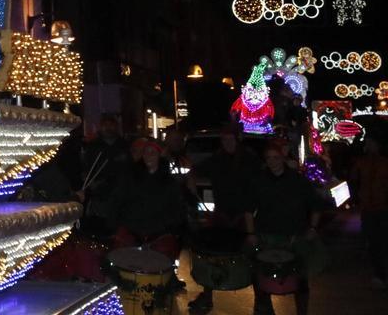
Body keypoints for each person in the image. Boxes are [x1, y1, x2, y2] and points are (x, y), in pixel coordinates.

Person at [186, 122, 260, 312]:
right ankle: (207, 296)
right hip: (222, 214)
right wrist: (191, 180)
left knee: (252, 257)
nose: (227, 142)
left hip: (245, 216)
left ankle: (262, 302)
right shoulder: (217, 159)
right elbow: (195, 170)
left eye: (230, 139)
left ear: (238, 139)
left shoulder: (250, 160)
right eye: (224, 139)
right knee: (211, 255)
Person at [245, 140, 323, 315]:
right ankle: (264, 310)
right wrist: (250, 233)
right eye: (269, 158)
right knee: (261, 277)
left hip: (294, 236)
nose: (273, 161)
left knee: (300, 280)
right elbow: (248, 210)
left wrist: (312, 228)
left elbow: (316, 205)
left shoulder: (298, 180)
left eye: (276, 157)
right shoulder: (259, 180)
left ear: (282, 158)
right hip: (266, 235)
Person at [109, 138, 187, 262]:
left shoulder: (169, 182)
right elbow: (117, 201)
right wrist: (119, 224)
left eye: (153, 152)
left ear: (159, 156)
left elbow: (177, 209)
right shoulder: (131, 177)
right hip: (132, 229)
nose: (148, 156)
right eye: (146, 152)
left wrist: (165, 225)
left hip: (159, 232)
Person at [351, 131, 388, 287]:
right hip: (369, 207)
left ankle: (381, 272)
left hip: (383, 207)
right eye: (368, 143)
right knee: (374, 241)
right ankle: (379, 272)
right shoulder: (362, 162)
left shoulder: (383, 162)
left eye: (371, 143)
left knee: (381, 240)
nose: (369, 146)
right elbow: (354, 180)